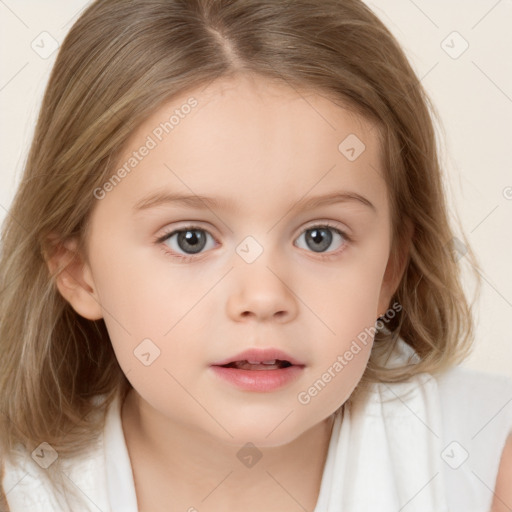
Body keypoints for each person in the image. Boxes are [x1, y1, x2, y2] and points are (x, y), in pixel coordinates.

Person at [0, 0, 511, 511]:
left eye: (320, 237)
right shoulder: (18, 484)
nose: (263, 297)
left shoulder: (486, 462)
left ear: (389, 270)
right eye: (190, 239)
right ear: (77, 272)